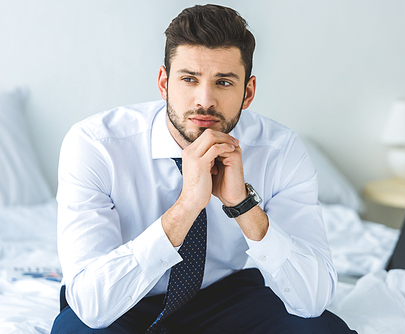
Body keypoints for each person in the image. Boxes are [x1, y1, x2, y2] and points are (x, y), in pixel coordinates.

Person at [51, 4, 356, 334]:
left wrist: (242, 207)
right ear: (164, 83)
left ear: (248, 92)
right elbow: (92, 306)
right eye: (189, 79)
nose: (205, 100)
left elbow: (311, 301)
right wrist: (186, 207)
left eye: (223, 82)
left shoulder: (279, 150)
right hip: (124, 299)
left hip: (226, 298)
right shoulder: (97, 145)